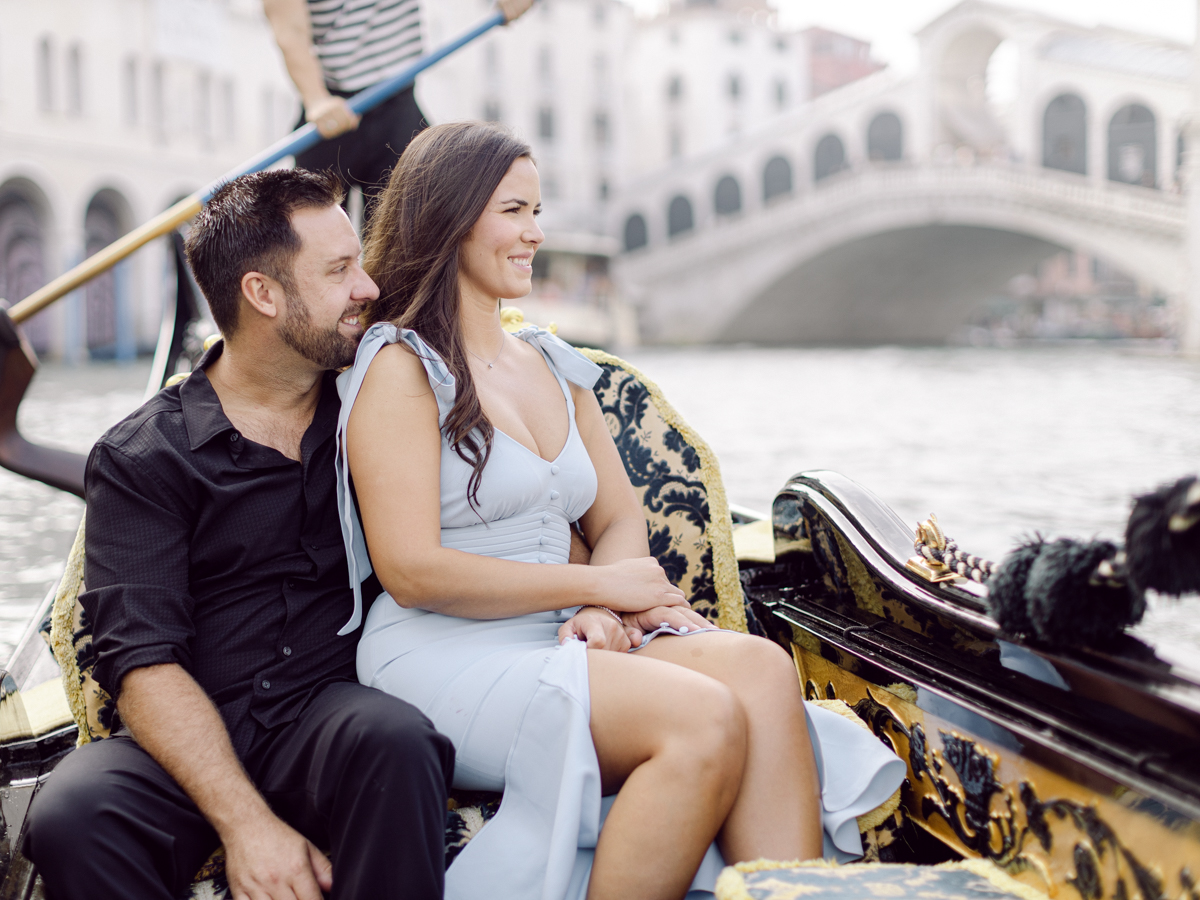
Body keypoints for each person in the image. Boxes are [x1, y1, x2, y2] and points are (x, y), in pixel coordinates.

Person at [337, 122, 907, 900]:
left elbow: (616, 521)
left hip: (555, 630)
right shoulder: (400, 368)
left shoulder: (554, 363)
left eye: (537, 210)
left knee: (762, 671)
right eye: (514, 211)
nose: (536, 233)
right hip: (442, 654)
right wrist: (598, 593)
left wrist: (600, 604)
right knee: (702, 718)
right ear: (450, 217)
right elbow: (410, 571)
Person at [23, 169, 455, 900]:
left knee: (396, 742)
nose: (368, 289)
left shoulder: (379, 409)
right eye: (339, 269)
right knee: (74, 811)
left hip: (327, 718)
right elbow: (144, 663)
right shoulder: (141, 456)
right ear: (263, 294)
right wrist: (246, 824)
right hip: (190, 732)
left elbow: (508, 503)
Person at [262, 0, 535, 219]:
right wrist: (316, 99)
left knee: (406, 248)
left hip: (398, 105)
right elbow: (290, 30)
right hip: (333, 111)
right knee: (312, 242)